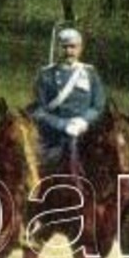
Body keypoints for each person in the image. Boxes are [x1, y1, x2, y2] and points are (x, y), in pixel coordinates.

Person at [31, 27, 107, 167]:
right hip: (54, 138)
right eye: (64, 47)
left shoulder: (90, 73)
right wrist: (62, 125)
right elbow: (39, 111)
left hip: (86, 135)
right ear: (57, 49)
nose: (69, 51)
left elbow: (98, 105)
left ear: (80, 48)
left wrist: (83, 121)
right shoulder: (45, 75)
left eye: (73, 47)